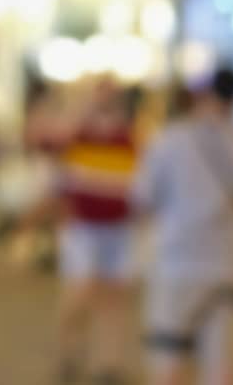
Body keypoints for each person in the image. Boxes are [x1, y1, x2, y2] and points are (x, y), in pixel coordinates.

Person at [133, 67, 233, 385]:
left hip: (177, 264)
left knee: (169, 360)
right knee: (223, 367)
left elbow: (143, 200)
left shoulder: (168, 141)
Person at [51, 78, 140, 385]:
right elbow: (61, 183)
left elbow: (139, 185)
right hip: (84, 228)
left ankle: (108, 363)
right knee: (78, 295)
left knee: (114, 298)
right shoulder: (78, 135)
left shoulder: (131, 138)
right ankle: (69, 354)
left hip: (117, 229)